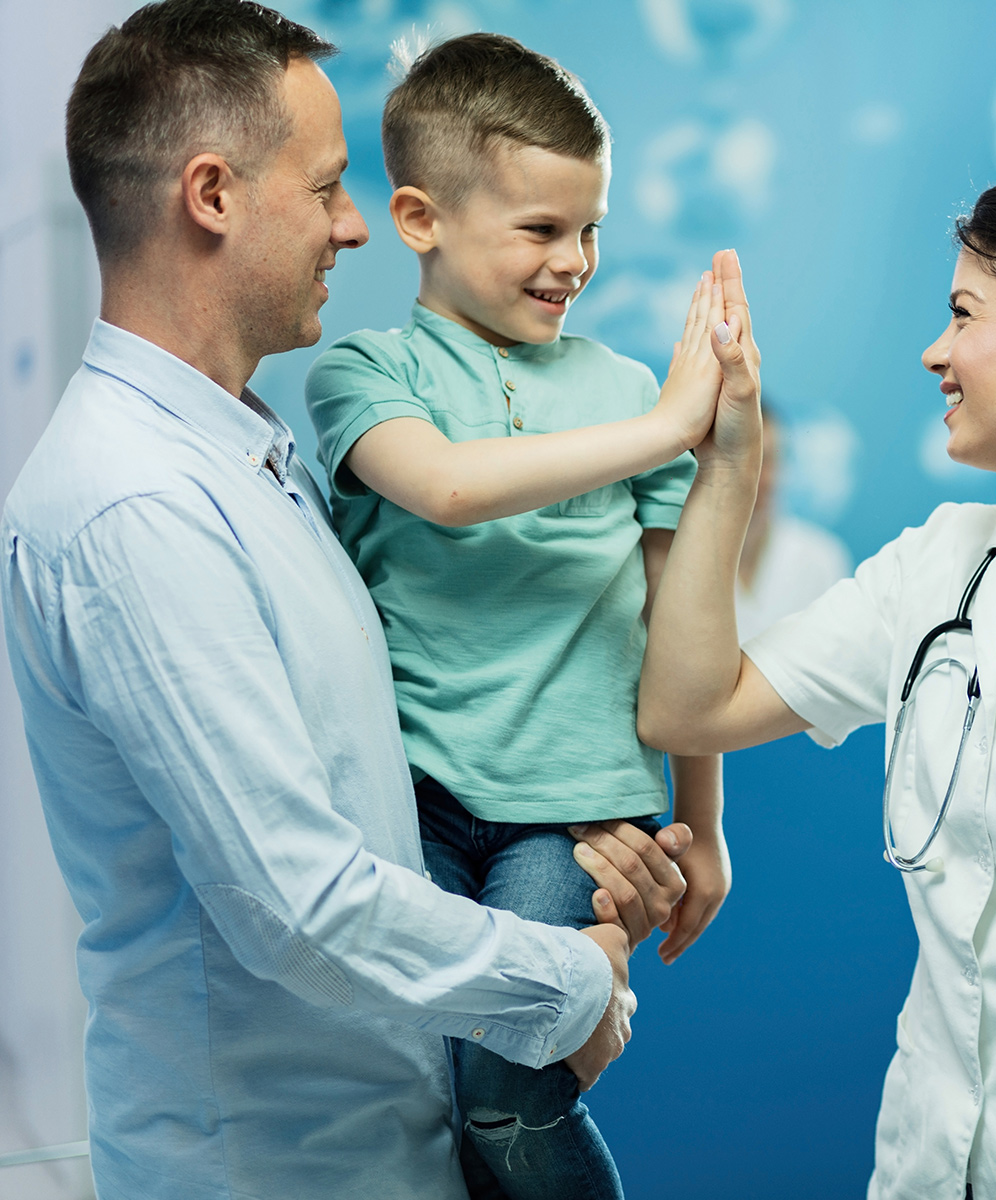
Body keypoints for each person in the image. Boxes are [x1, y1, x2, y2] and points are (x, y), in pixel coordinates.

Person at [0, 5, 692, 1198]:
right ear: (212, 195)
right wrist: (572, 981)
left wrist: (598, 891)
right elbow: (299, 904)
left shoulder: (253, 458)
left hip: (393, 1145)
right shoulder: (135, 511)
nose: (356, 224)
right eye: (326, 189)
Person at [638, 161, 996, 1198]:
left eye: (964, 314)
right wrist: (729, 460)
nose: (934, 352)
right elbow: (688, 706)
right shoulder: (937, 570)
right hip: (930, 1169)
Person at [304, 34, 732, 1200]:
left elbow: (679, 623)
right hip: (419, 812)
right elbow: (446, 487)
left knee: (505, 1088)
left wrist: (704, 823)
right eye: (542, 231)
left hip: (575, 825)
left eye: (590, 228)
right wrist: (668, 429)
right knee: (424, 1091)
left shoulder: (625, 388)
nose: (575, 261)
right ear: (418, 217)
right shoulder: (362, 375)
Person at [735, 403, 852, 641]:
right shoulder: (677, 556)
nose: (767, 477)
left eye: (774, 459)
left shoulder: (820, 558)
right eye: (751, 460)